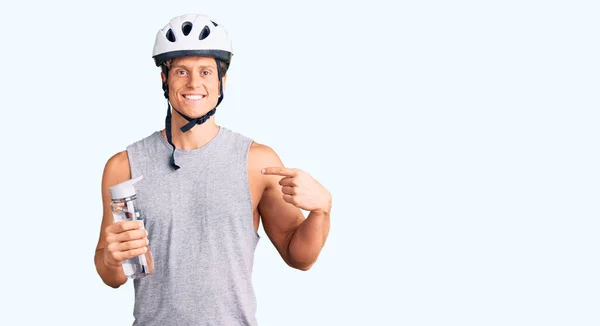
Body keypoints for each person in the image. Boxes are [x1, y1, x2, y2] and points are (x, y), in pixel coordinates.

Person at [93, 13, 332, 325]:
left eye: (206, 71)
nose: (194, 83)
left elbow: (299, 256)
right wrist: (112, 257)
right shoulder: (123, 166)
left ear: (222, 81)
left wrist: (322, 210)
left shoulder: (256, 162)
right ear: (164, 79)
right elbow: (111, 274)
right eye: (181, 71)